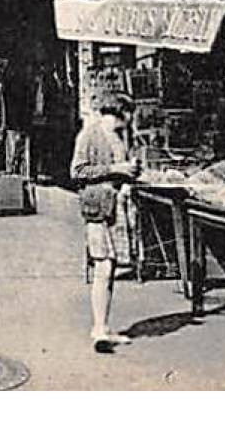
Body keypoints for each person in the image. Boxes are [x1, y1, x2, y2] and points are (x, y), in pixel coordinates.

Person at [72, 91, 141, 353]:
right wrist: (115, 170)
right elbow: (77, 171)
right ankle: (99, 329)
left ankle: (103, 325)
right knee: (103, 266)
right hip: (99, 207)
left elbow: (121, 169)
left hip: (116, 207)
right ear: (120, 112)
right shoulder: (90, 134)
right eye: (128, 114)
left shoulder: (119, 136)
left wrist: (130, 172)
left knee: (110, 267)